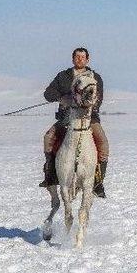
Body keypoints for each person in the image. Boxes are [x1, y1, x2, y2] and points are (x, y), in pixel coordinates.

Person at [39, 47, 109, 198]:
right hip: (66, 117)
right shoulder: (63, 76)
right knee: (48, 138)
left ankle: (97, 182)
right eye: (77, 57)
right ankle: (50, 175)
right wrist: (62, 98)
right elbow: (48, 93)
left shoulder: (95, 77)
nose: (80, 59)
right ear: (72, 59)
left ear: (87, 59)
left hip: (89, 119)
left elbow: (99, 98)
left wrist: (88, 105)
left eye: (83, 57)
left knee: (103, 143)